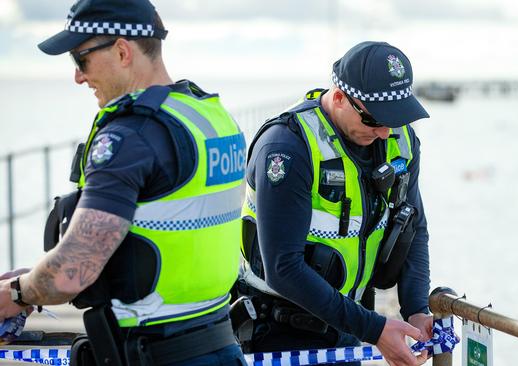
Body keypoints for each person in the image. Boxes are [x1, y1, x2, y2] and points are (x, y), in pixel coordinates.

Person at [0, 0, 247, 364]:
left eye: (80, 59)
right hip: (219, 343)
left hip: (154, 352)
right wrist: (40, 273)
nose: (78, 77)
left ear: (121, 50)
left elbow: (73, 271)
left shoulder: (129, 138)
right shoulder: (210, 118)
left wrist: (18, 293)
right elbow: (165, 232)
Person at [237, 41, 433, 366]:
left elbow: (414, 227)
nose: (385, 132)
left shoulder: (402, 142)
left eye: (394, 119)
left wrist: (415, 310)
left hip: (348, 328)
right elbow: (283, 268)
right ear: (339, 98)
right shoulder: (287, 147)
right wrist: (375, 329)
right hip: (281, 334)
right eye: (374, 120)